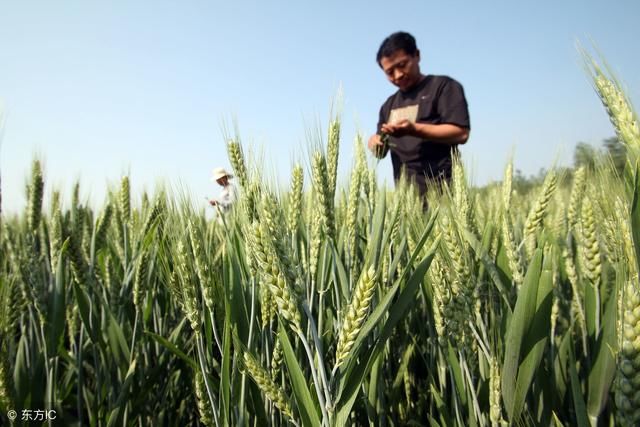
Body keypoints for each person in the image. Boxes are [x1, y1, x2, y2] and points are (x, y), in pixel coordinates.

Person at [368, 31, 470, 197]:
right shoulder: (388, 105)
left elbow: (461, 133)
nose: (398, 75)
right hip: (406, 198)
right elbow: (381, 150)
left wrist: (413, 129)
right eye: (389, 72)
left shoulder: (443, 87)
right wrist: (375, 142)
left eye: (402, 65)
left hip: (445, 193)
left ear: (417, 55)